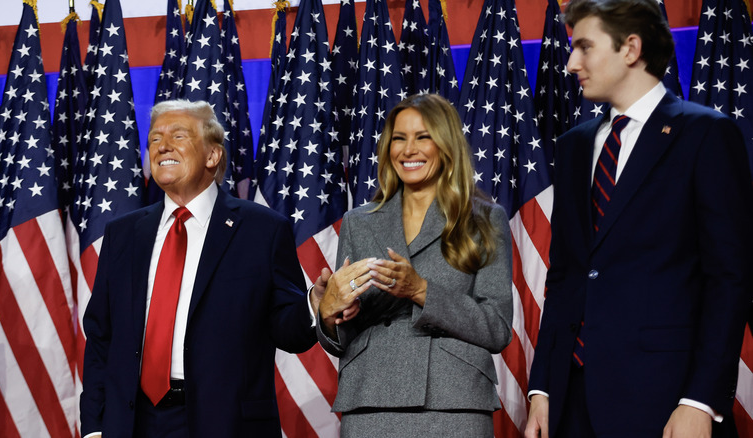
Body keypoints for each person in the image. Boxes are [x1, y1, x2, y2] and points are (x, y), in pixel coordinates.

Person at [524, 1, 753, 437]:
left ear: (630, 48)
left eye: (585, 47)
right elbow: (567, 276)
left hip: (666, 398)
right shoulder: (573, 146)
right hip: (572, 399)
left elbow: (730, 279)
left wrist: (700, 401)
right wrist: (543, 389)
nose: (571, 63)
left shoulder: (704, 133)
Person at [80, 100, 318, 437]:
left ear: (212, 155)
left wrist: (314, 306)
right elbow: (101, 339)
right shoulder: (122, 234)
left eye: (179, 136)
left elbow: (287, 329)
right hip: (132, 424)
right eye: (154, 139)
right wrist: (94, 426)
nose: (162, 146)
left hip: (224, 424)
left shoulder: (261, 230)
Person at [314, 93, 514, 436]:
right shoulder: (359, 222)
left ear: (446, 144)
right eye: (399, 138)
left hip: (454, 402)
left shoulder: (484, 220)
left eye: (423, 137)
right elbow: (342, 336)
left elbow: (496, 328)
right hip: (370, 400)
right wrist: (329, 315)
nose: (409, 150)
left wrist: (421, 291)